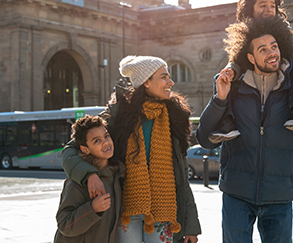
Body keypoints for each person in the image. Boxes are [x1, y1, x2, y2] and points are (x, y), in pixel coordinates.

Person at [196, 17, 293, 242]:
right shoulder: (232, 88)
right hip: (236, 195)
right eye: (263, 49)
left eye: (274, 46)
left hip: (280, 197)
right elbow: (205, 140)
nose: (272, 52)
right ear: (251, 58)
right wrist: (220, 99)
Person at [62, 55, 201, 243]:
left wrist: (191, 227)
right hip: (126, 211)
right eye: (164, 77)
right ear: (146, 82)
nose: (171, 82)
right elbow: (71, 150)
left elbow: (183, 178)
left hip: (164, 211)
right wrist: (90, 175)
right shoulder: (117, 115)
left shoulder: (176, 118)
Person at [208, 0, 293, 144]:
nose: (269, 9)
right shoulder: (246, 31)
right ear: (251, 10)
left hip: (282, 72)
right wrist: (230, 71)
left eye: (273, 6)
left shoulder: (284, 29)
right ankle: (228, 121)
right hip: (251, 73)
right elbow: (236, 59)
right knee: (223, 80)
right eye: (263, 5)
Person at [54, 115, 123, 243]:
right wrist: (92, 209)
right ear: (85, 149)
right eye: (97, 141)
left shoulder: (116, 175)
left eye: (106, 136)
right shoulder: (79, 180)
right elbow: (64, 224)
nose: (106, 142)